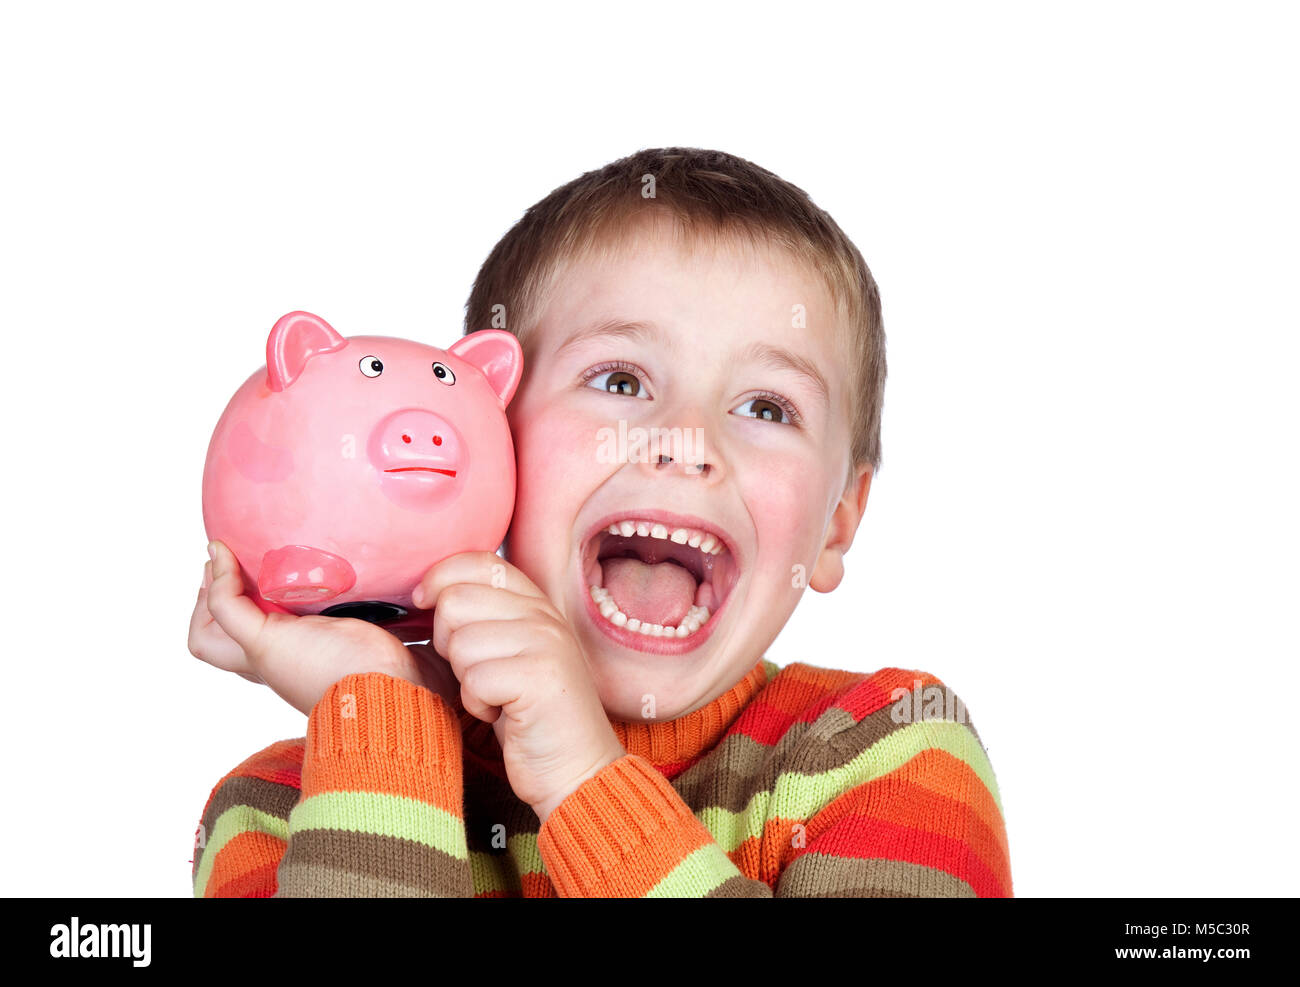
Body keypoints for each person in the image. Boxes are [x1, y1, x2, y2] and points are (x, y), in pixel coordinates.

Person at [188, 146, 1013, 897]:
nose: (686, 439)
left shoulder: (895, 750)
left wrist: (585, 780)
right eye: (620, 382)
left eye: (766, 406)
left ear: (836, 523)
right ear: (494, 444)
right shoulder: (281, 808)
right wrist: (378, 712)